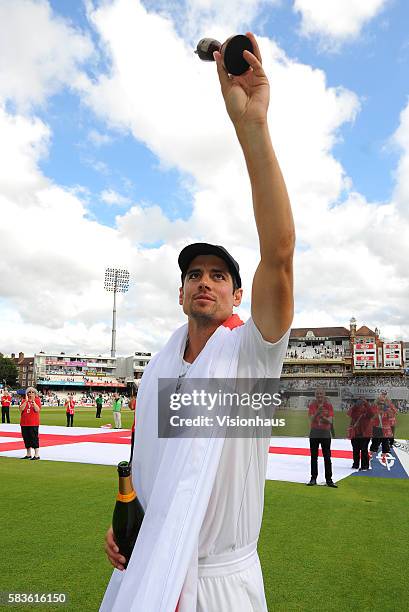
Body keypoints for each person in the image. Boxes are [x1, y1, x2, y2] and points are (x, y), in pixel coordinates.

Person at [101, 32, 295, 612]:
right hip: (147, 565)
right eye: (194, 273)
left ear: (238, 294)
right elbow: (155, 464)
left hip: (220, 583)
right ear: (181, 291)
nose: (204, 280)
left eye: (218, 275)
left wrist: (251, 129)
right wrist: (126, 521)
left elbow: (279, 253)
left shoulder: (251, 353)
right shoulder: (161, 362)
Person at [307, 387, 337, 487]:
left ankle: (329, 480)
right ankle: (313, 478)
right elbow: (311, 419)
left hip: (325, 433)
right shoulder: (312, 405)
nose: (319, 395)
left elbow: (330, 421)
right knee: (313, 457)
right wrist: (317, 412)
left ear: (324, 395)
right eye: (318, 394)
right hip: (314, 432)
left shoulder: (328, 406)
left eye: (321, 393)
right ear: (315, 395)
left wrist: (321, 416)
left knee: (327, 457)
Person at [347, 397, 373, 471]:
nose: (359, 403)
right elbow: (349, 413)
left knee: (364, 449)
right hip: (355, 433)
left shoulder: (366, 410)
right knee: (355, 449)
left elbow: (371, 414)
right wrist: (355, 405)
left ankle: (365, 466)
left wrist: (366, 403)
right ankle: (356, 464)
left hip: (365, 433)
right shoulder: (354, 410)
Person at [19, 387, 41, 460]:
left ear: (35, 394)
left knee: (34, 438)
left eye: (32, 392)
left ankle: (37, 454)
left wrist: (33, 402)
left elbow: (37, 410)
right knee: (26, 438)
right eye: (29, 392)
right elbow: (21, 409)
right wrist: (26, 401)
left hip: (33, 423)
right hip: (24, 423)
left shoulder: (37, 400)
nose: (30, 393)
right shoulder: (24, 401)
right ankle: (28, 454)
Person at [128, 394, 136, 462]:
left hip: (136, 428)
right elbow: (131, 407)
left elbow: (131, 407)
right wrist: (133, 399)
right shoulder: (137, 401)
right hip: (136, 429)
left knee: (134, 447)